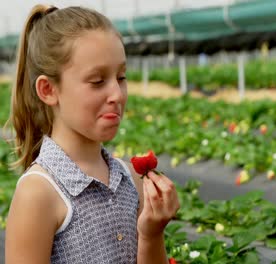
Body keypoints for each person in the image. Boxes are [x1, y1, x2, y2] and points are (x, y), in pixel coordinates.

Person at [4, 4, 180, 263]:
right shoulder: (39, 194)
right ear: (49, 90)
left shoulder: (131, 180)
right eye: (97, 81)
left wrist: (152, 234)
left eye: (121, 77)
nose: (117, 95)